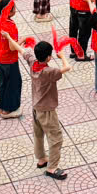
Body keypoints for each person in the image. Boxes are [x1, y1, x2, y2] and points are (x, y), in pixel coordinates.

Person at [26, 38, 71, 180]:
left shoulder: (33, 62)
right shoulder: (48, 72)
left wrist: (9, 38)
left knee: (38, 134)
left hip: (36, 107)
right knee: (56, 138)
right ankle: (52, 168)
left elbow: (22, 51)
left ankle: (41, 159)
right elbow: (67, 68)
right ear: (48, 57)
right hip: (47, 110)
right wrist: (62, 56)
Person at [0, 0, 23, 118]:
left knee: (4, 82)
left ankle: (3, 107)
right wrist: (23, 41)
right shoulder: (10, 25)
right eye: (13, 8)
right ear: (9, 11)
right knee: (13, 83)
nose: (15, 9)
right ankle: (8, 109)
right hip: (9, 59)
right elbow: (12, 47)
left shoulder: (0, 20)